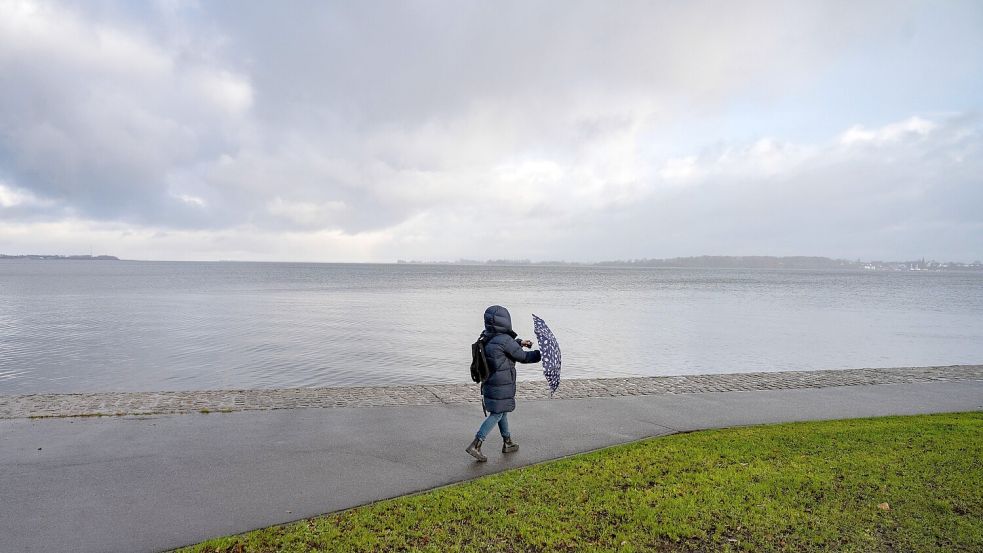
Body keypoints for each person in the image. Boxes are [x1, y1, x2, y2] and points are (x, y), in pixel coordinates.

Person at [465, 305, 541, 462]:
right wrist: (540, 354)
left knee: (502, 411)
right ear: (505, 321)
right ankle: (476, 444)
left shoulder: (486, 336)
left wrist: (519, 342)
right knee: (497, 414)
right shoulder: (505, 340)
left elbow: (502, 346)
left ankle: (508, 442)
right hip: (502, 383)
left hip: (490, 381)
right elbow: (523, 357)